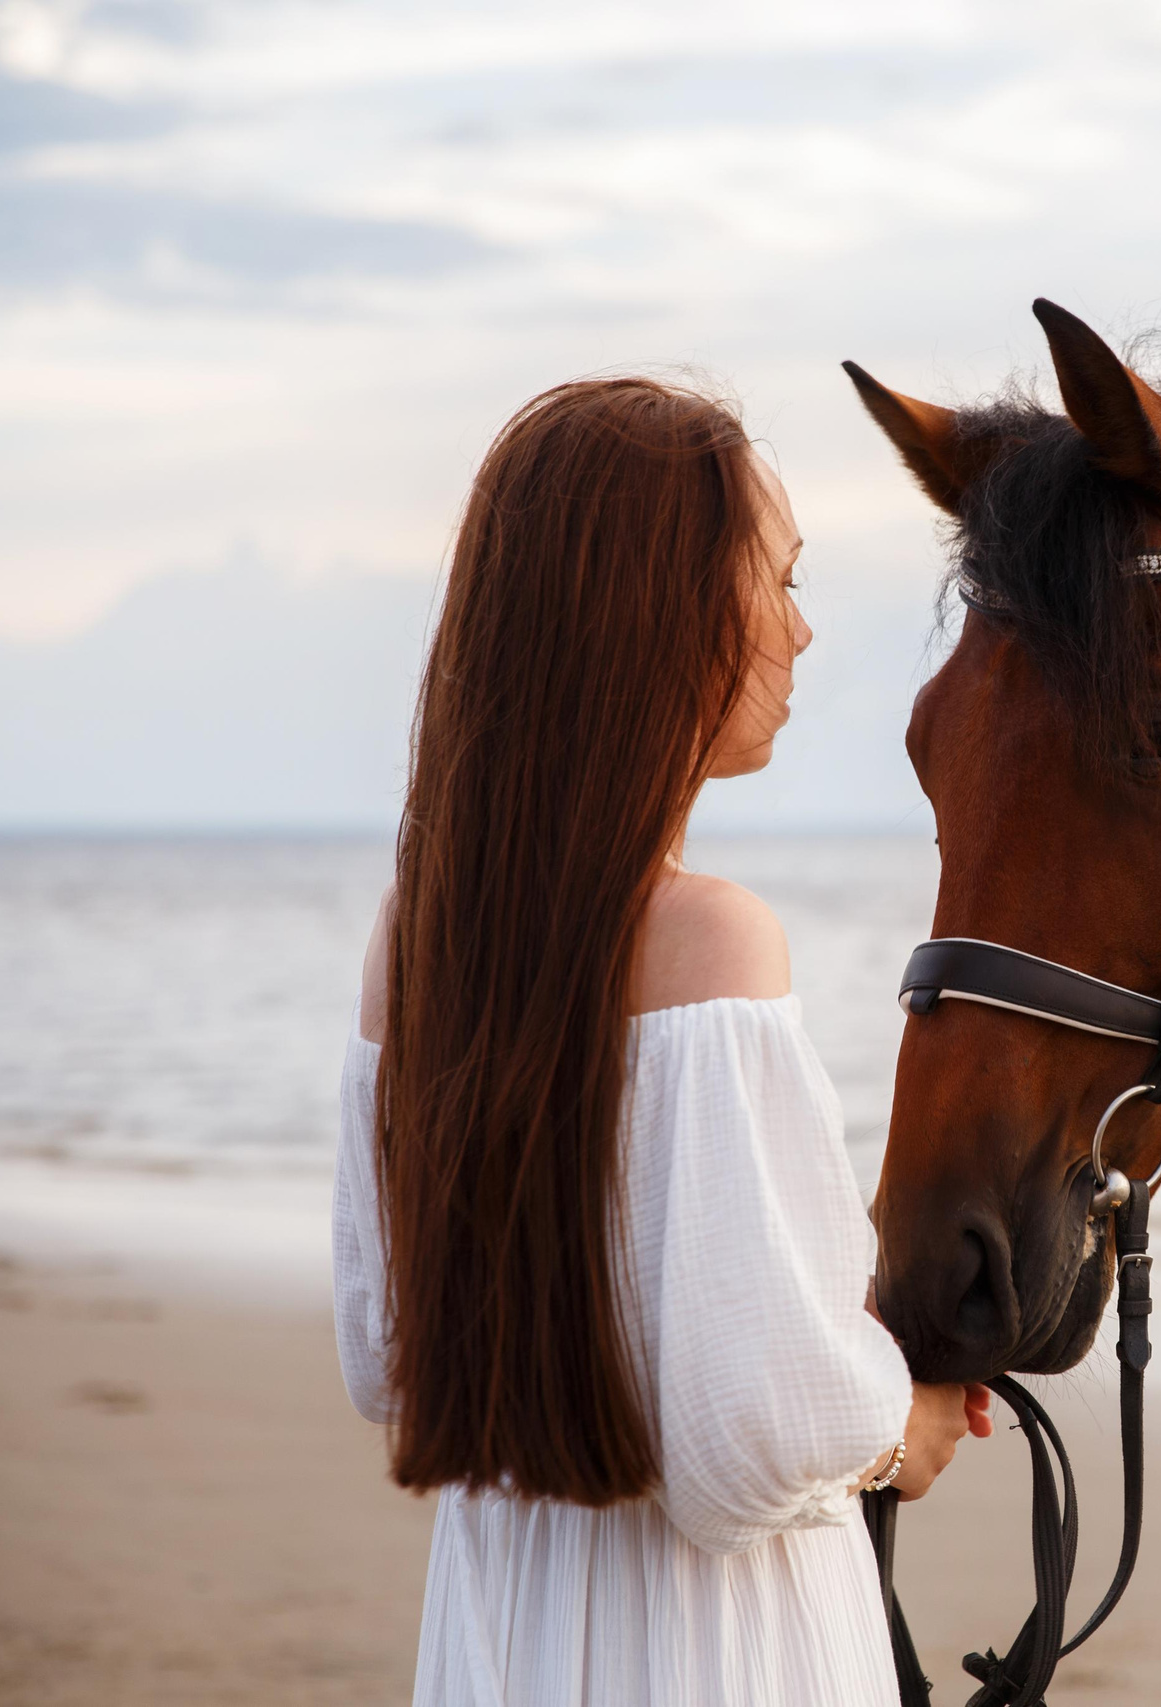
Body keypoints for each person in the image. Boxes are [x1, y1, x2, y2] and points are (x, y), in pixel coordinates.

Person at [333, 376, 986, 1704]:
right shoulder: (712, 942)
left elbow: (389, 1352)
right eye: (781, 581)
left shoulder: (417, 940)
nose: (803, 633)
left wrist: (811, 1320)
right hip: (711, 1642)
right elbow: (752, 1433)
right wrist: (894, 1426)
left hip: (510, 1619)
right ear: (666, 610)